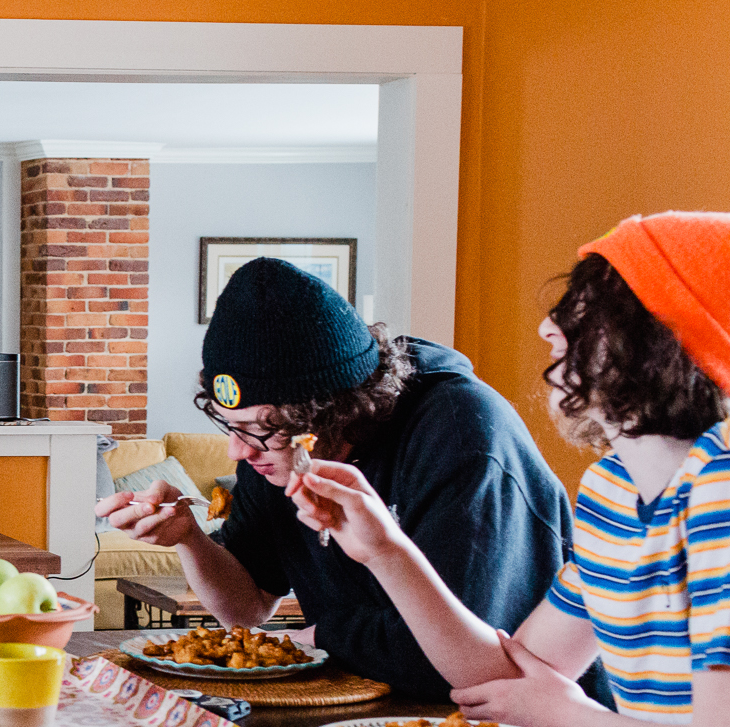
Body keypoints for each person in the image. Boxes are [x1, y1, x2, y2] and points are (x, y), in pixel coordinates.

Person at [292, 213, 730, 727]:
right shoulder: (613, 491)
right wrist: (385, 550)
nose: (551, 329)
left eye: (588, 311)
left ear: (666, 337)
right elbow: (506, 681)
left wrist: (576, 719)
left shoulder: (722, 492)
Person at [96, 257, 581, 701]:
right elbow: (247, 611)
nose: (239, 451)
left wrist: (314, 638)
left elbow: (457, 658)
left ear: (334, 413)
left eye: (264, 430)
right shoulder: (271, 448)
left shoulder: (462, 435)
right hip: (357, 703)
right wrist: (190, 539)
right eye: (232, 425)